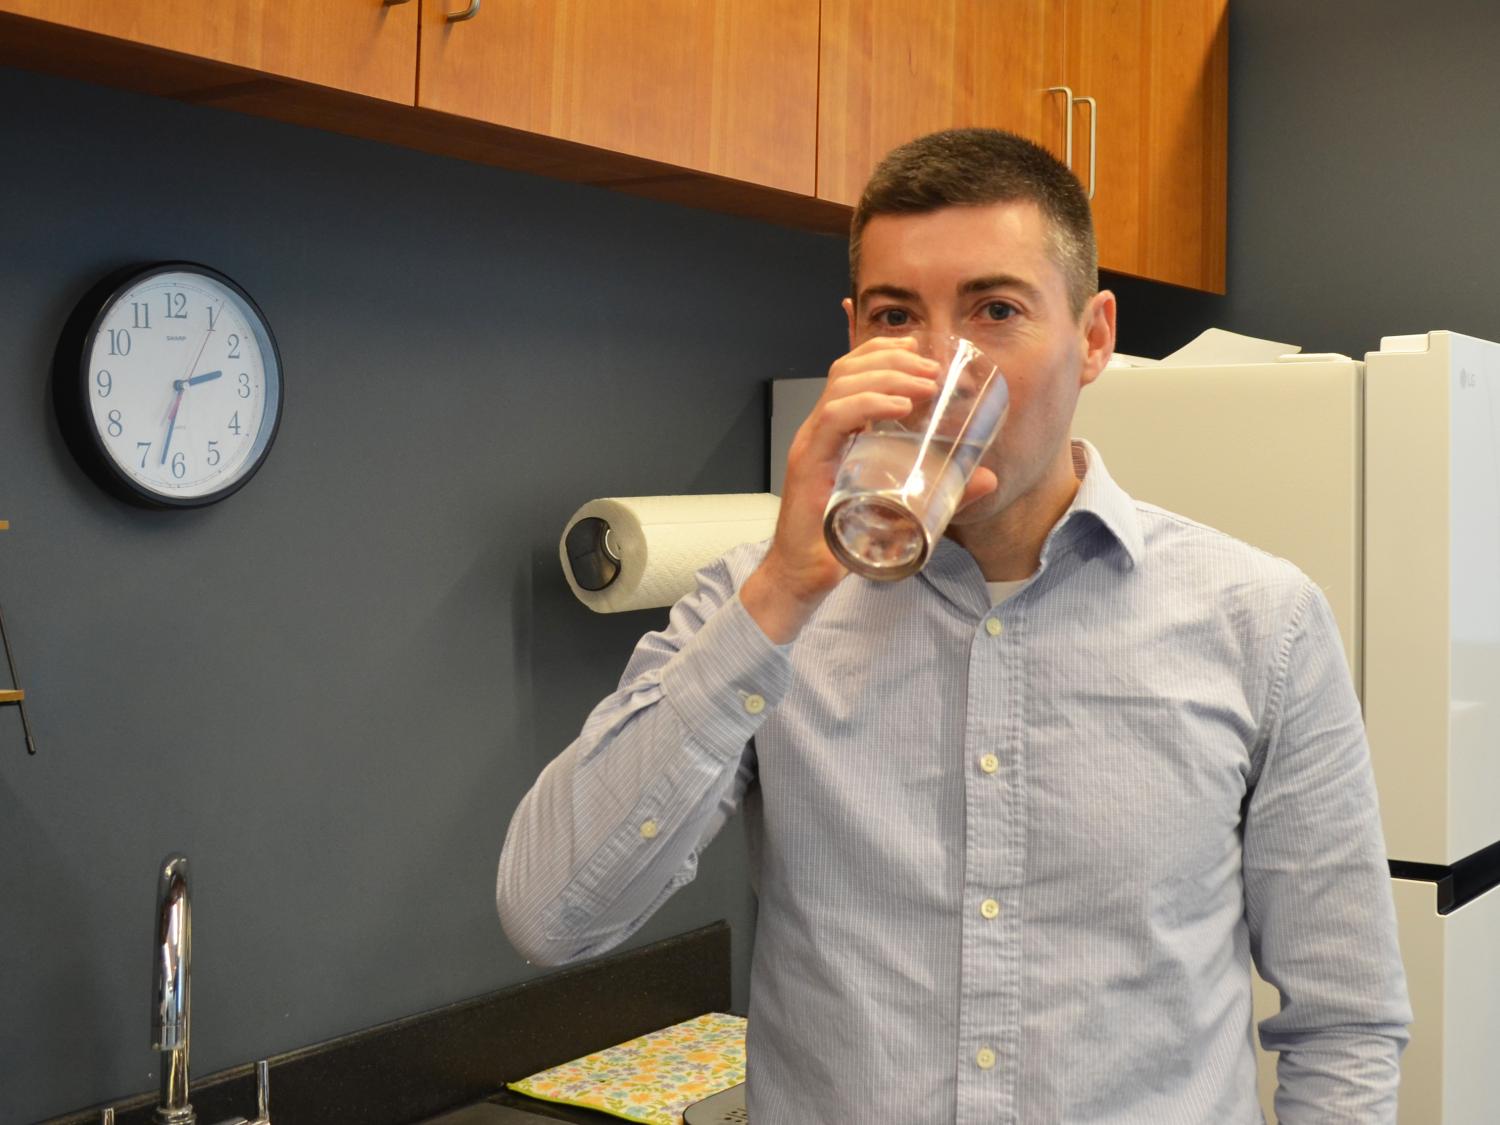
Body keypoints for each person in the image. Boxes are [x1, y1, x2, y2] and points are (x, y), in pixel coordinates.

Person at [497, 128, 1411, 1124]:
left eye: (996, 310)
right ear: (854, 339)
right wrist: (782, 595)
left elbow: (1347, 1019)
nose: (943, 366)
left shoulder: (1260, 620)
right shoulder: (754, 606)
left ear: (1094, 336)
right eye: (897, 317)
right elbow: (551, 915)